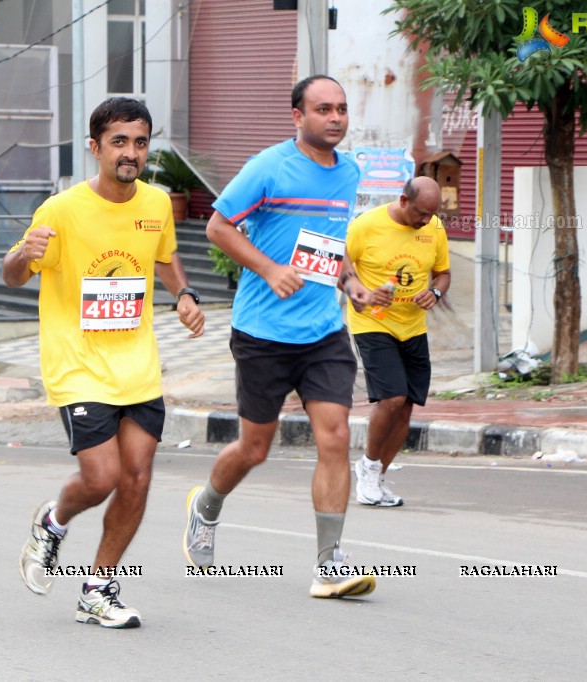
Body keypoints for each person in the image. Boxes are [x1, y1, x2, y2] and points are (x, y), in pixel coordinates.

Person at [3, 97, 205, 628]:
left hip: (137, 362)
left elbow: (163, 256)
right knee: (101, 477)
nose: (130, 153)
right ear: (95, 147)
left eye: (140, 142)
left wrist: (183, 294)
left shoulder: (156, 204)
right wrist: (26, 252)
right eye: (119, 141)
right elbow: (12, 275)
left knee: (136, 479)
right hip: (78, 363)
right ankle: (52, 521)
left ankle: (98, 589)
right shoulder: (61, 210)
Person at [182, 75, 376, 599]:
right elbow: (218, 227)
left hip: (323, 332)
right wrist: (269, 269)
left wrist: (350, 280)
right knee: (255, 447)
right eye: (323, 109)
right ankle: (207, 504)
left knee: (334, 436)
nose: (335, 118)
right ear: (297, 116)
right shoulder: (269, 167)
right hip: (263, 333)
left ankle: (329, 563)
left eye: (340, 109)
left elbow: (333, 241)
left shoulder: (349, 171)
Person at [344, 176, 450, 506]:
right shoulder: (366, 225)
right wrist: (358, 290)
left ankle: (376, 474)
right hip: (372, 322)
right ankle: (367, 467)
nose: (425, 220)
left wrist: (434, 292)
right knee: (392, 397)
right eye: (421, 213)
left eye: (431, 214)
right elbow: (339, 262)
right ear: (404, 201)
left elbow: (443, 273)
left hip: (413, 327)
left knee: (406, 407)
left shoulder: (434, 228)